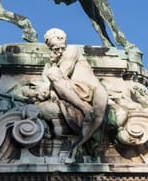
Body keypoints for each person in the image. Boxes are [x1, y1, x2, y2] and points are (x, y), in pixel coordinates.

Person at [43, 28, 108, 160]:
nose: (59, 51)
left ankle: (81, 143)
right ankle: (84, 108)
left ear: (63, 40)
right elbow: (57, 77)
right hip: (72, 88)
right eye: (55, 49)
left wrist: (54, 64)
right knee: (52, 73)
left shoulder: (71, 50)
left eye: (60, 48)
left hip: (91, 89)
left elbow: (64, 71)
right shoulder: (52, 65)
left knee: (98, 113)